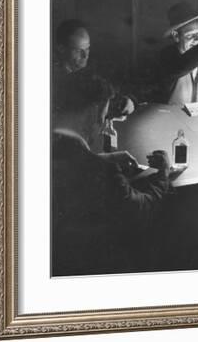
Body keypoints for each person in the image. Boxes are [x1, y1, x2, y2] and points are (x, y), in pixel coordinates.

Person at [51, 72, 172, 276]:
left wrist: (105, 158)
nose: (103, 122)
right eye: (104, 114)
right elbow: (142, 207)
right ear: (94, 112)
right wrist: (163, 173)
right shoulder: (102, 171)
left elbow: (73, 161)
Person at [52, 19, 135, 133]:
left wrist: (123, 102)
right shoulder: (54, 77)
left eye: (87, 49)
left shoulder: (85, 70)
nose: (85, 55)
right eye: (79, 50)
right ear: (61, 49)